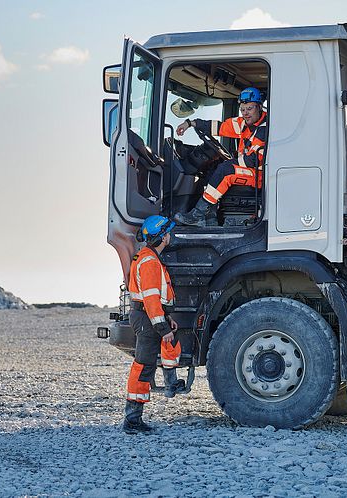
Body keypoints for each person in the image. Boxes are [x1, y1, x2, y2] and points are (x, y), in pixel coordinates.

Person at [123, 215, 185, 434]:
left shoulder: (150, 257)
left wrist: (166, 320)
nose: (170, 235)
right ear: (161, 237)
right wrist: (162, 328)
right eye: (167, 232)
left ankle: (171, 383)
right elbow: (150, 299)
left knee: (168, 348)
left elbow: (155, 299)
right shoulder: (149, 261)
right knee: (143, 366)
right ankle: (132, 420)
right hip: (147, 319)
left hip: (149, 317)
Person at [174, 87, 267, 227]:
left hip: (258, 175)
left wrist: (231, 162)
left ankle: (198, 214)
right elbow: (220, 127)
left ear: (259, 107)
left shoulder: (264, 129)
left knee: (225, 170)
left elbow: (253, 161)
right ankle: (211, 217)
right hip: (250, 169)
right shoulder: (245, 123)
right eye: (242, 109)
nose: (245, 113)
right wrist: (190, 123)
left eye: (249, 108)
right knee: (216, 168)